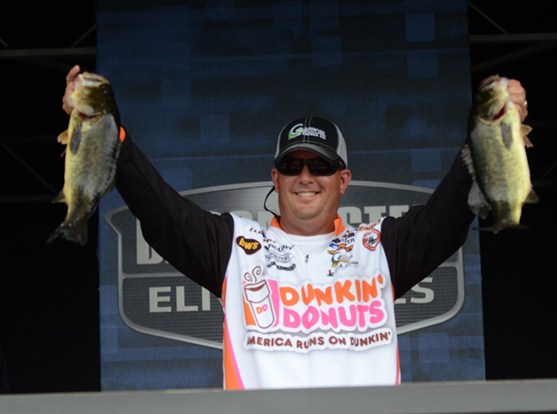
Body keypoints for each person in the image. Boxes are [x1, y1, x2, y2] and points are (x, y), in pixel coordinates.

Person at [62, 65, 528, 390]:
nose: (305, 177)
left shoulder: (377, 249)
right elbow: (159, 211)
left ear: (343, 179)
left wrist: (494, 129)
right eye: (292, 165)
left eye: (320, 166)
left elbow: (449, 214)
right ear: (275, 177)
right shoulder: (235, 246)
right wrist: (103, 125)